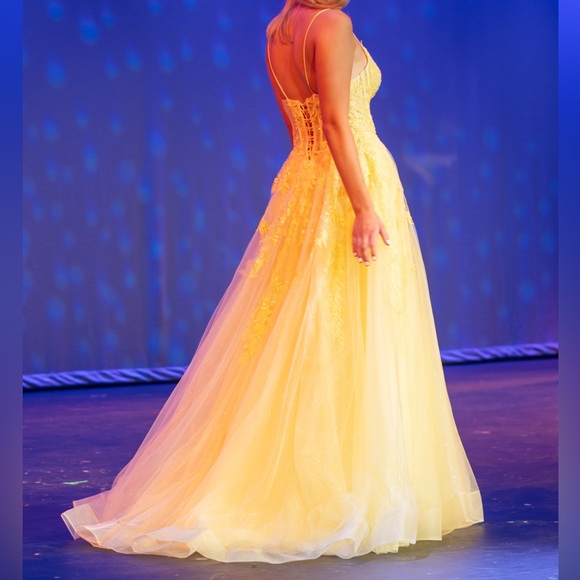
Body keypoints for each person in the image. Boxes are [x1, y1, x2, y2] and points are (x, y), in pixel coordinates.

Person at [62, 0, 483, 563]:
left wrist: (313, 187)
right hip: (350, 184)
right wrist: (362, 207)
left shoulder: (278, 30)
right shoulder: (332, 24)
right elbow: (334, 121)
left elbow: (298, 128)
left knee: (305, 325)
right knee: (346, 328)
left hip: (308, 180)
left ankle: (335, 470)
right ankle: (343, 485)